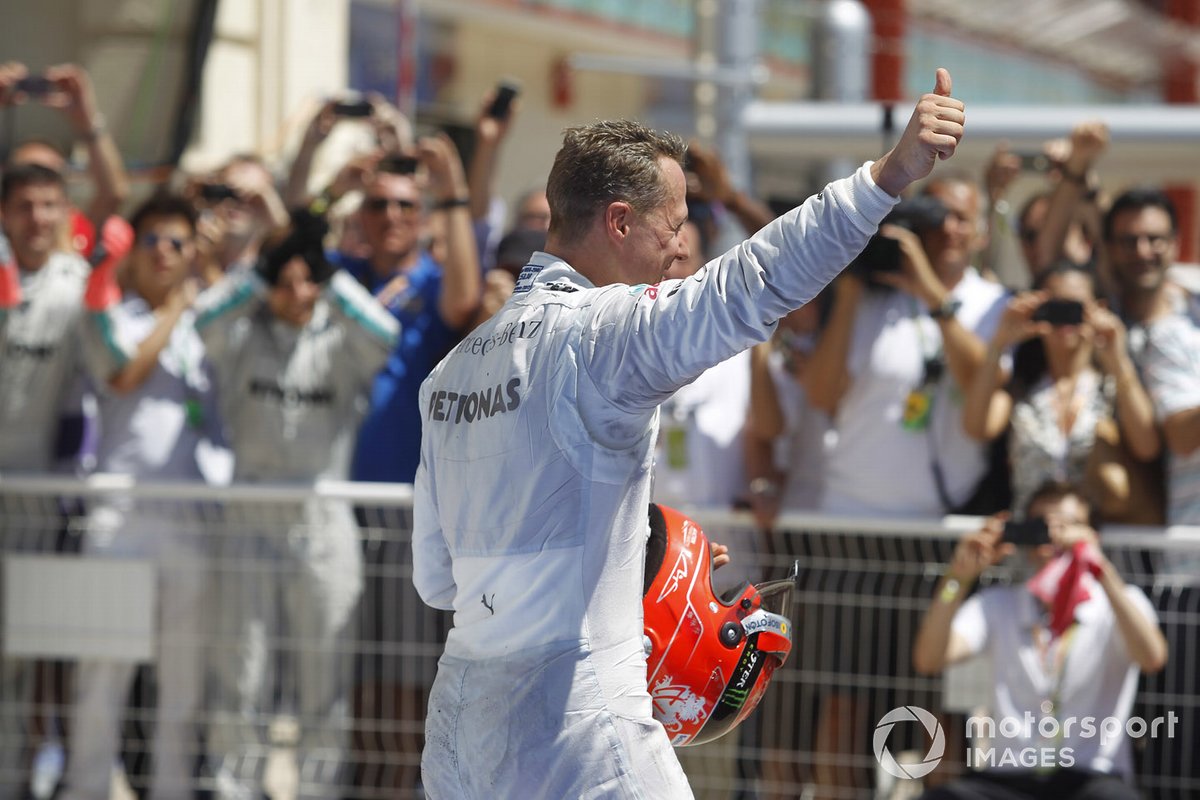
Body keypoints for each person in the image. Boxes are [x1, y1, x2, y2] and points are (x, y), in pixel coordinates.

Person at [411, 68, 966, 798]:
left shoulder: (448, 374)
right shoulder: (601, 335)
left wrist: (638, 546)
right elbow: (750, 284)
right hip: (579, 725)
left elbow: (437, 579)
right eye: (672, 228)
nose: (680, 251)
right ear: (618, 222)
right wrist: (886, 178)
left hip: (460, 733)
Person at [193, 209, 398, 800]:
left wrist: (331, 274)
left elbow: (384, 333)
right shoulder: (242, 338)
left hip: (323, 518)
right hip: (249, 515)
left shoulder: (341, 343)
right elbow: (202, 318)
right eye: (285, 282)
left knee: (323, 678)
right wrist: (259, 271)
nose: (296, 293)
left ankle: (318, 792)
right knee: (241, 672)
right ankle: (236, 790)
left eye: (307, 280)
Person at [60, 193, 220, 800]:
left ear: (191, 253)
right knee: (101, 679)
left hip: (189, 523)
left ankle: (173, 791)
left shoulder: (204, 322)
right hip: (118, 521)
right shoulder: (111, 313)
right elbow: (122, 374)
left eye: (177, 242)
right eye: (151, 238)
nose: (163, 251)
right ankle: (84, 790)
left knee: (182, 686)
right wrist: (176, 310)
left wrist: (192, 303)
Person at [912, 480, 1168, 800]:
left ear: (1091, 534)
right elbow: (929, 658)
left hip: (1091, 778)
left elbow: (1152, 657)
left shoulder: (1118, 601)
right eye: (1041, 526)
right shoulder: (998, 603)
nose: (1053, 537)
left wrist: (1100, 567)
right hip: (1010, 776)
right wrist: (958, 578)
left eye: (1067, 526)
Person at [961, 262, 1159, 519]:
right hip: (1033, 548)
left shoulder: (1113, 385)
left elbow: (1147, 446)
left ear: (1099, 309)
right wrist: (999, 342)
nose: (1064, 320)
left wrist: (1118, 360)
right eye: (1054, 308)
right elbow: (977, 427)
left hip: (1095, 546)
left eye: (1075, 308)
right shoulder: (1023, 387)